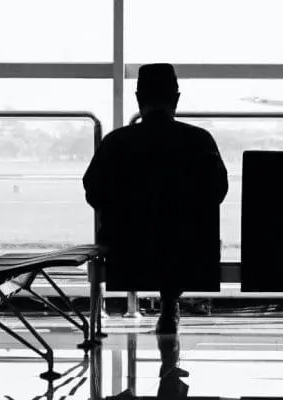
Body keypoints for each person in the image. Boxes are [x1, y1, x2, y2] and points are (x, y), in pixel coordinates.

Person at [84, 63, 228, 334]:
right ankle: (169, 306)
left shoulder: (116, 143)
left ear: (139, 99)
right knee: (178, 236)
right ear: (176, 99)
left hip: (127, 252)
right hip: (191, 253)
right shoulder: (200, 140)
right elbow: (217, 191)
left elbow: (94, 191)